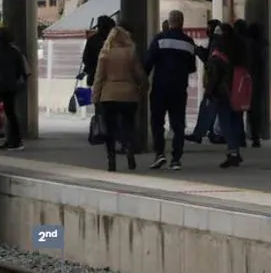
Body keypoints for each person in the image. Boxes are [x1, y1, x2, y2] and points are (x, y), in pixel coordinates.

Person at [144, 9, 198, 170]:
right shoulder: (189, 42)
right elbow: (191, 67)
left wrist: (142, 82)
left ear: (169, 22)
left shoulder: (159, 39)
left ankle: (159, 154)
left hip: (160, 87)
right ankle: (176, 159)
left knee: (157, 121)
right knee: (178, 123)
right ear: (182, 23)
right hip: (179, 89)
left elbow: (148, 62)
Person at [92, 26, 148, 172]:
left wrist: (95, 96)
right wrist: (143, 86)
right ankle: (129, 148)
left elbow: (99, 77)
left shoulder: (105, 53)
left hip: (109, 95)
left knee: (110, 129)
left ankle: (111, 159)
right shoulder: (131, 52)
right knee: (128, 125)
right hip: (129, 95)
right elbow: (139, 73)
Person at [202, 23, 248, 168]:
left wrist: (209, 92)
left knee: (226, 121)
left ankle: (232, 151)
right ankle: (236, 149)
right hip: (238, 87)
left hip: (224, 90)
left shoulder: (219, 48)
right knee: (235, 119)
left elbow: (215, 72)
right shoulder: (240, 47)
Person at [245, 23, 268, 148]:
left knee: (249, 108)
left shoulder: (248, 46)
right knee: (257, 109)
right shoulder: (263, 46)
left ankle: (253, 135)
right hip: (259, 80)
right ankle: (256, 135)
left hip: (249, 79)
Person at [79, 15, 116, 87]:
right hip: (111, 80)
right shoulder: (115, 41)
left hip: (94, 78)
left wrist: (86, 70)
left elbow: (86, 59)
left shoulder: (92, 40)